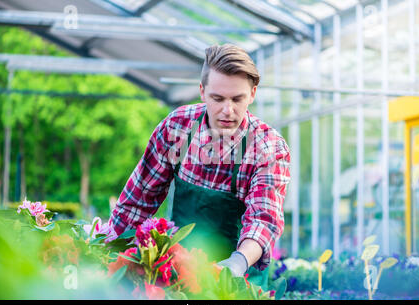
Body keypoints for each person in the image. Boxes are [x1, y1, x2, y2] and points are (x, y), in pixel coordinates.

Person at [109, 43, 291, 289]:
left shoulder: (267, 147)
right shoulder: (177, 128)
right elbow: (138, 201)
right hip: (179, 277)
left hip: (238, 280)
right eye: (218, 98)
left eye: (237, 99)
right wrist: (109, 249)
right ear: (202, 91)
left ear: (253, 94)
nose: (228, 110)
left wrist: (235, 264)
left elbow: (263, 220)